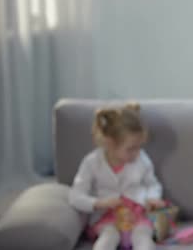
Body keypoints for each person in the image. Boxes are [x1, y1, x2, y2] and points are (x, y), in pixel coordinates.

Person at [69, 103, 165, 250]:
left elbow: (152, 184)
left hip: (137, 215)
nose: (137, 153)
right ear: (110, 143)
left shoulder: (142, 160)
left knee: (143, 237)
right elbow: (75, 196)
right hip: (106, 217)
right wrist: (99, 203)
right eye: (131, 149)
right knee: (108, 237)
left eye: (139, 147)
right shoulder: (92, 162)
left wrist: (152, 198)